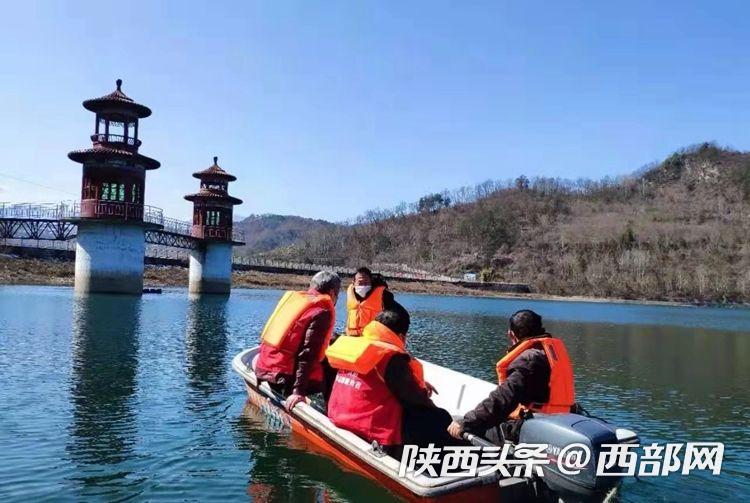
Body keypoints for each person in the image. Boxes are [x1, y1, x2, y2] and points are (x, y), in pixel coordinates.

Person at [326, 306, 456, 458]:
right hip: (375, 434)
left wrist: (417, 383)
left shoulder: (354, 347)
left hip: (339, 418)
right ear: (401, 336)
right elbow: (414, 400)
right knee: (438, 418)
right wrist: (443, 416)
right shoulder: (390, 356)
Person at [447, 309, 575, 443]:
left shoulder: (529, 360)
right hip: (559, 421)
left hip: (533, 427)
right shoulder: (551, 354)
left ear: (511, 334)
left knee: (461, 430)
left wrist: (466, 422)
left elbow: (503, 399)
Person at [254, 271, 341, 412]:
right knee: (334, 364)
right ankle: (330, 409)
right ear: (332, 293)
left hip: (265, 369)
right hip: (284, 378)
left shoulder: (296, 301)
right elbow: (308, 353)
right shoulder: (322, 311)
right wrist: (298, 392)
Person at [345, 266, 397, 336]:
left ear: (371, 282)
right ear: (353, 282)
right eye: (360, 283)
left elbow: (394, 316)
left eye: (366, 283)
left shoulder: (384, 295)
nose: (363, 286)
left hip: (372, 337)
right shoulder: (350, 293)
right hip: (351, 336)